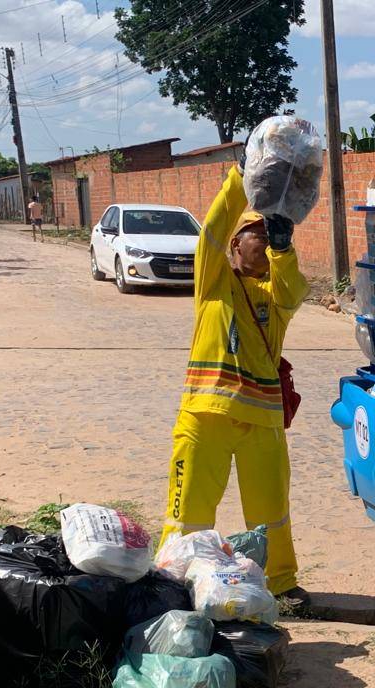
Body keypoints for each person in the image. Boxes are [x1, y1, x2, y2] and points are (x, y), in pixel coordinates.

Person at [157, 156, 312, 616]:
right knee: (188, 510)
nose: (263, 242)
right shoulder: (212, 284)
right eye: (257, 234)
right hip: (205, 418)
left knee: (271, 512)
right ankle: (172, 578)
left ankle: (281, 583)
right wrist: (241, 179)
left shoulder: (275, 297)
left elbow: (294, 287)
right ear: (234, 244)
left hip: (261, 423)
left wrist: (285, 249)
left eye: (269, 235)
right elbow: (210, 230)